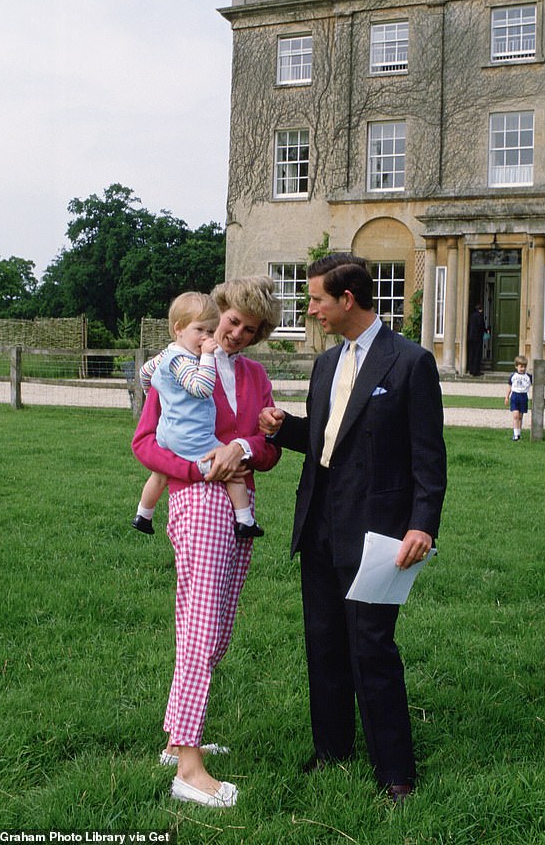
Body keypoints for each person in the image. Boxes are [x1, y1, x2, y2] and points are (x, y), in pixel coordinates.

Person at [259, 254, 447, 803]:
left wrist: (423, 525)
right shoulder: (325, 364)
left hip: (379, 532)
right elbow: (328, 442)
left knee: (371, 647)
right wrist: (283, 428)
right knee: (323, 642)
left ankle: (396, 773)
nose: (310, 308)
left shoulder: (410, 363)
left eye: (316, 299)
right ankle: (332, 749)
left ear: (347, 300)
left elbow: (428, 458)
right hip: (318, 521)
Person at [132, 276, 281, 808]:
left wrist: (244, 443)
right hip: (195, 502)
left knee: (216, 629)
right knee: (199, 626)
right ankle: (190, 768)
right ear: (217, 312)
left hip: (241, 506)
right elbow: (145, 442)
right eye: (232, 320)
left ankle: (177, 740)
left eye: (251, 327)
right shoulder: (177, 363)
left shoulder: (257, 376)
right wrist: (197, 471)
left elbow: (267, 451)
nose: (237, 332)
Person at [132, 292, 263, 540]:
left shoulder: (164, 355)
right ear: (178, 328)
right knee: (233, 470)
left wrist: (159, 395)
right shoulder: (184, 361)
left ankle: (143, 515)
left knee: (158, 476)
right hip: (191, 436)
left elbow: (144, 373)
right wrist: (207, 357)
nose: (206, 337)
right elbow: (202, 388)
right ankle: (245, 520)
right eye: (200, 330)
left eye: (210, 331)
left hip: (168, 432)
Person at [505, 354, 532, 441]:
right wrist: (507, 397)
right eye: (521, 366)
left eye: (524, 367)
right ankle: (515, 435)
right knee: (515, 415)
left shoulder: (528, 377)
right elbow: (509, 386)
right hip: (515, 396)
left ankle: (518, 433)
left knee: (520, 416)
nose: (523, 369)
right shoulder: (513, 376)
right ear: (516, 366)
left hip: (523, 396)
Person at [467, 303, 488, 376]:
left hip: (471, 337)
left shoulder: (472, 316)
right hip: (477, 337)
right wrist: (486, 330)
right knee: (477, 354)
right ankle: (476, 371)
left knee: (471, 353)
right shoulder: (479, 316)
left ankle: (471, 369)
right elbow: (481, 326)